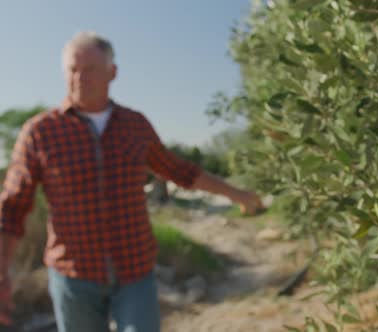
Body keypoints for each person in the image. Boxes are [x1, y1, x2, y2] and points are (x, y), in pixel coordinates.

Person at [0, 32, 264, 332]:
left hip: (134, 271)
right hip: (74, 277)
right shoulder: (39, 132)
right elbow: (12, 206)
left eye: (90, 70)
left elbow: (181, 172)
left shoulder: (134, 126)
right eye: (73, 70)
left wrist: (238, 194)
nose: (79, 78)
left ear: (112, 73)